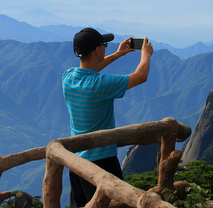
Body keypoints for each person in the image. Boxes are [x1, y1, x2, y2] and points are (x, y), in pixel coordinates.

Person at [62, 27, 153, 208]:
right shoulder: (101, 85)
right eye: (103, 45)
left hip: (77, 162)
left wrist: (118, 54)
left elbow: (92, 68)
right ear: (97, 50)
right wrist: (146, 54)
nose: (105, 48)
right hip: (102, 161)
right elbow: (140, 76)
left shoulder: (68, 77)